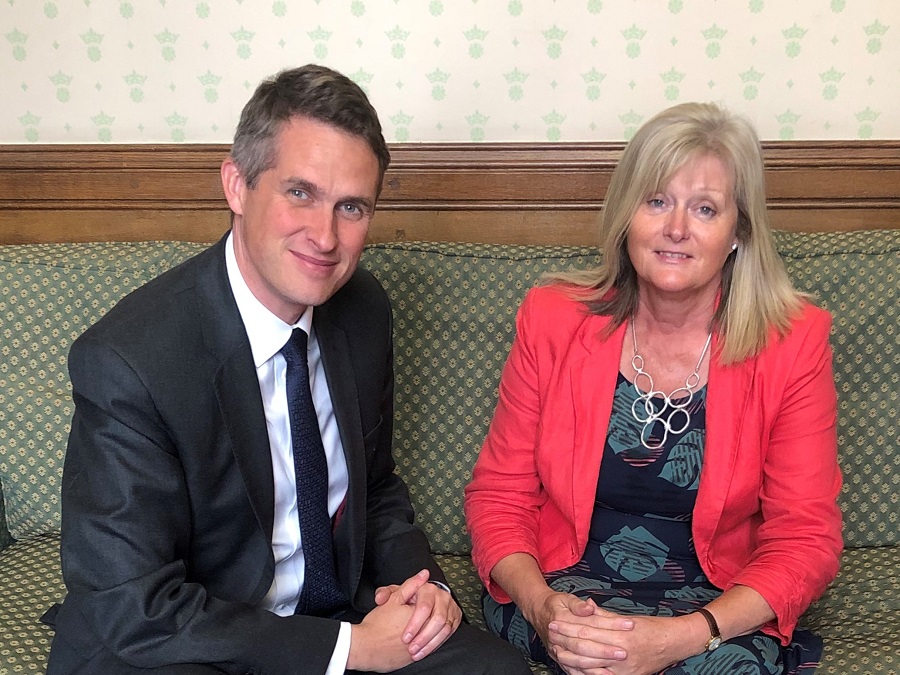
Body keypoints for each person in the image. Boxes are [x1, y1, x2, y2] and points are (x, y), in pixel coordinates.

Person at [45, 64, 530, 675]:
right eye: (300, 192)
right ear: (237, 186)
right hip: (188, 637)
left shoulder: (362, 310)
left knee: (495, 670)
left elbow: (374, 490)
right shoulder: (129, 360)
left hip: (335, 610)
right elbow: (133, 605)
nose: (325, 236)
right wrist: (349, 650)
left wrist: (421, 587)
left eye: (351, 206)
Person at [464, 102, 842, 675]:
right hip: (566, 593)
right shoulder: (551, 319)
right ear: (627, 215)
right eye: (657, 200)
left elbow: (805, 536)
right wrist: (541, 606)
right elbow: (500, 496)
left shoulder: (792, 343)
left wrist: (684, 637)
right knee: (585, 656)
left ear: (738, 233)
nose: (676, 229)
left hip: (715, 606)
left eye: (705, 208)